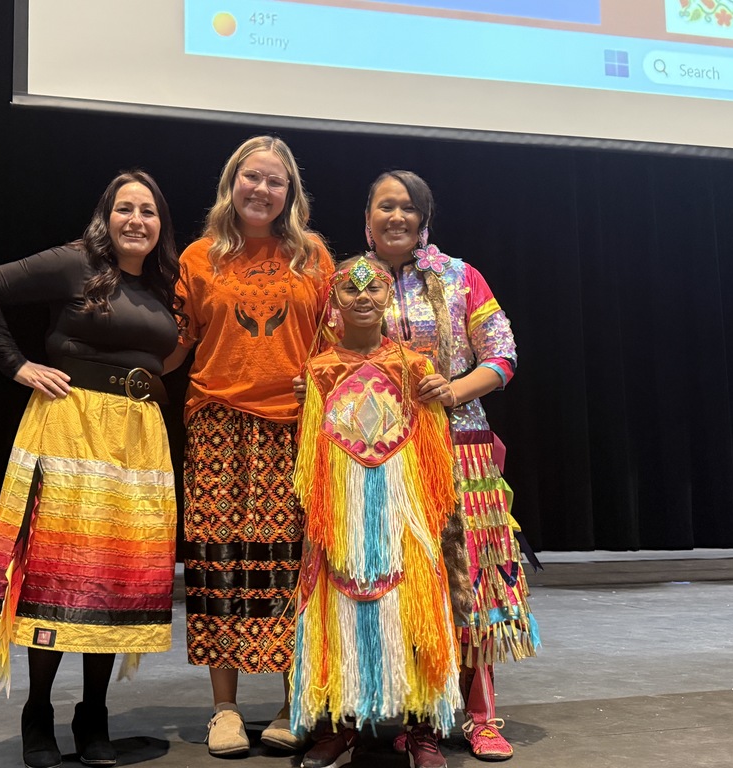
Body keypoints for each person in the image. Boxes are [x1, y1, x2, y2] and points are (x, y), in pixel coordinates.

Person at [0, 170, 181, 768]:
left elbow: (172, 350)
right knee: (59, 572)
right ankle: (38, 712)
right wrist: (17, 365)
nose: (137, 220)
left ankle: (93, 716)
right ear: (106, 217)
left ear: (161, 225)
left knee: (110, 576)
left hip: (137, 439)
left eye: (149, 211)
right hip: (71, 428)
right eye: (125, 209)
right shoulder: (75, 262)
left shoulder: (167, 283)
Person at [368, 170, 540, 762]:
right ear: (367, 218)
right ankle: (417, 717)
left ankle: (480, 716)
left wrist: (457, 389)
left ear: (423, 220)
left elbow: (504, 352)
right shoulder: (350, 281)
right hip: (382, 460)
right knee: (407, 587)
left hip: (463, 450)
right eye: (385, 206)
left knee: (475, 584)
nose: (396, 216)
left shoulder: (460, 276)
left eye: (407, 208)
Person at [172, 135, 334, 758]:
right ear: (231, 183)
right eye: (251, 177)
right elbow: (177, 344)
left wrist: (318, 379)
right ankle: (225, 709)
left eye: (275, 181)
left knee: (292, 567)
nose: (261, 189)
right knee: (219, 566)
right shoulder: (198, 257)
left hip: (292, 428)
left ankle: (296, 702)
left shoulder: (312, 256)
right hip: (215, 426)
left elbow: (333, 342)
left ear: (290, 193)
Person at [289, 255, 467, 768]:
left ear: (389, 298)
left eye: (372, 290)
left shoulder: (414, 367)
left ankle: (423, 729)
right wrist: (324, 512)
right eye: (350, 291)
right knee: (336, 606)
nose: (362, 298)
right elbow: (311, 452)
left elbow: (432, 450)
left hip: (400, 505)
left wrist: (425, 512)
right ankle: (337, 726)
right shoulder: (319, 370)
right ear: (335, 301)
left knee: (414, 606)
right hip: (341, 509)